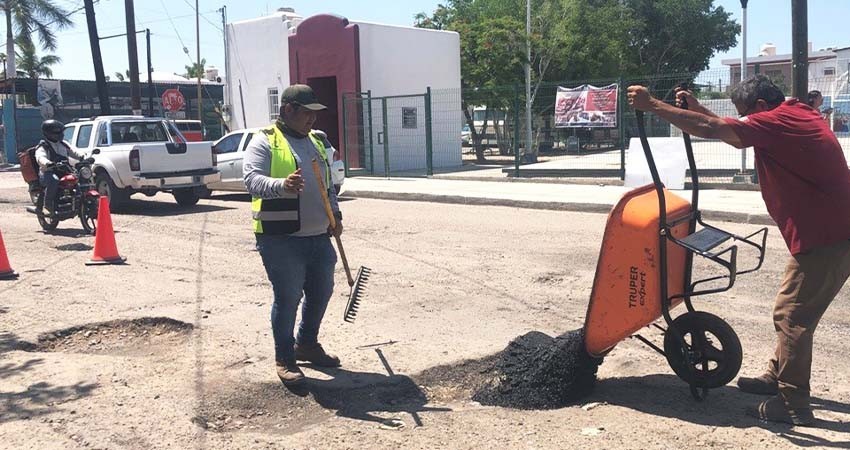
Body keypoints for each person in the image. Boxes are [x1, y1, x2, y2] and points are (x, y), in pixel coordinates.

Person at [627, 75, 850, 426]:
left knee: (791, 316)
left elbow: (715, 129)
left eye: (745, 113)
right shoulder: (795, 114)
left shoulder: (776, 122)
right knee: (796, 309)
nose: (745, 120)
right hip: (829, 231)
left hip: (827, 236)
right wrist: (699, 109)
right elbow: (732, 132)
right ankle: (777, 375)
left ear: (760, 106)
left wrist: (653, 105)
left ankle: (792, 404)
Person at [243, 84, 344, 387]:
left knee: (322, 291)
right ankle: (285, 358)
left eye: (315, 114)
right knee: (288, 298)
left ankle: (307, 344)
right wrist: (281, 186)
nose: (313, 119)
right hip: (280, 238)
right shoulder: (265, 141)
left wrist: (336, 215)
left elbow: (327, 184)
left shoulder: (316, 141)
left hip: (319, 235)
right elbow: (251, 180)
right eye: (307, 113)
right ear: (288, 110)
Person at [34, 119, 90, 215]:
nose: (61, 134)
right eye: (57, 132)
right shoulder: (43, 146)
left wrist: (83, 157)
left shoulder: (63, 144)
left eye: (61, 132)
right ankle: (48, 204)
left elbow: (74, 152)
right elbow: (40, 157)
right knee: (54, 180)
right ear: (48, 133)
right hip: (48, 172)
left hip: (64, 170)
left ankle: (77, 202)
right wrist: (48, 163)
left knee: (77, 179)